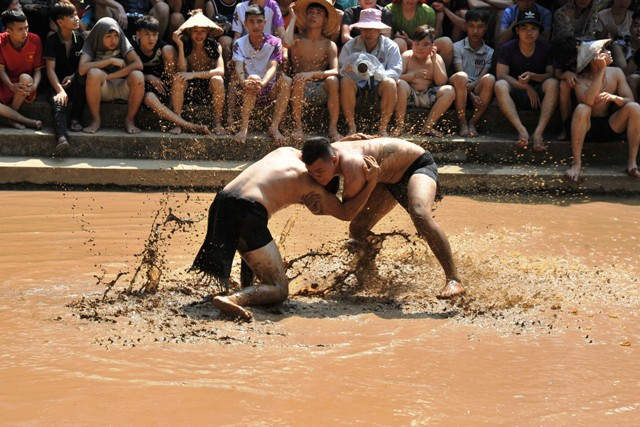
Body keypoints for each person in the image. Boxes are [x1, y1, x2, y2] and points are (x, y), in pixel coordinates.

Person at [192, 144, 381, 321]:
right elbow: (347, 213)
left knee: (252, 245)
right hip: (246, 209)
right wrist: (372, 182)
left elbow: (327, 147)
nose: (317, 176)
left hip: (222, 200)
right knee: (280, 290)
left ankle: (247, 288)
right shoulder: (313, 186)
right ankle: (233, 299)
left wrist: (354, 141)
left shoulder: (287, 151)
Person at [302, 134, 465, 300]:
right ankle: (369, 279)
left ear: (334, 160)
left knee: (420, 213)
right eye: (311, 172)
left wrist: (371, 183)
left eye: (320, 171)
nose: (316, 177)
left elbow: (348, 212)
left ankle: (453, 279)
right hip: (386, 178)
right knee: (358, 229)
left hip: (417, 166)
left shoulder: (353, 165)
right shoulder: (326, 149)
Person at [565, 39, 640, 181]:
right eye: (603, 51)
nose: (608, 52)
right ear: (594, 60)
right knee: (583, 108)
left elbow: (630, 99)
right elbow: (588, 101)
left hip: (608, 125)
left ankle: (632, 163)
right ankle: (576, 163)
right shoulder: (579, 80)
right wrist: (601, 70)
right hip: (585, 127)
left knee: (635, 108)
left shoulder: (617, 72)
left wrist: (614, 98)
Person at [133, 15, 211, 134]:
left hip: (167, 85)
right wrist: (147, 77)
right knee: (149, 98)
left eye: (154, 34)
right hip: (143, 85)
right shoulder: (131, 47)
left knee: (169, 50)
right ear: (138, 34)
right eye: (147, 34)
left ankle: (173, 101)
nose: (151, 39)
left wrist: (179, 45)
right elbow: (126, 72)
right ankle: (190, 126)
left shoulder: (162, 46)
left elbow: (180, 72)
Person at [494, 9, 558, 152]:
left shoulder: (546, 48)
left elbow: (551, 75)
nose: (529, 33)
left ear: (539, 31)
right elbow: (501, 75)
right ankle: (521, 130)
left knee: (553, 83)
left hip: (539, 93)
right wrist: (525, 87)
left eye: (533, 29)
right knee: (500, 85)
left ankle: (538, 133)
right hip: (516, 91)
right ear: (517, 30)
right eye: (524, 29)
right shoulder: (507, 48)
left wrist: (533, 76)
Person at [229, 5, 291, 143]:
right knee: (252, 79)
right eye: (251, 21)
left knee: (286, 81)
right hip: (248, 87)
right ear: (245, 23)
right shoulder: (239, 43)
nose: (255, 25)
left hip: (269, 87)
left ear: (265, 22)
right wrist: (244, 81)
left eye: (259, 21)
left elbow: (273, 67)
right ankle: (243, 128)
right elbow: (238, 67)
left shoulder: (275, 42)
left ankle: (274, 127)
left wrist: (263, 83)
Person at [284, 0, 342, 142]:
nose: (313, 16)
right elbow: (286, 42)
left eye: (318, 13)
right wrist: (293, 18)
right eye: (310, 12)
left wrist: (312, 74)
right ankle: (298, 127)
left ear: (325, 19)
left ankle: (333, 128)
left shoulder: (329, 44)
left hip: (320, 87)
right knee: (299, 79)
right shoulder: (296, 39)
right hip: (299, 87)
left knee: (333, 81)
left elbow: (335, 71)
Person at [339, 8, 401, 136]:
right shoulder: (350, 45)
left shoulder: (390, 46)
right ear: (360, 29)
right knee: (345, 81)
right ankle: (352, 127)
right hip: (356, 84)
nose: (368, 33)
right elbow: (341, 69)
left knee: (390, 82)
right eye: (365, 29)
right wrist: (348, 70)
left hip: (379, 84)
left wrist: (376, 73)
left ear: (378, 30)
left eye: (372, 29)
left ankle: (383, 129)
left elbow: (395, 71)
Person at [78, 17, 145, 134]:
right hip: (103, 88)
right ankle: (96, 120)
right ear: (100, 35)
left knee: (138, 75)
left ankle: (130, 120)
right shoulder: (92, 41)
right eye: (108, 36)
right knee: (93, 73)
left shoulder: (122, 41)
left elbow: (138, 64)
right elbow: (82, 69)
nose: (113, 40)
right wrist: (110, 61)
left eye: (116, 36)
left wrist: (110, 76)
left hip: (123, 86)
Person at [170, 12, 225, 134]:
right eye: (195, 31)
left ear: (208, 32)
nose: (199, 35)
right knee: (178, 79)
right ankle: (178, 122)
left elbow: (220, 71)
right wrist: (180, 46)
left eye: (203, 31)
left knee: (218, 80)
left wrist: (194, 74)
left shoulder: (215, 46)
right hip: (190, 87)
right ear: (189, 32)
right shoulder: (185, 46)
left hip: (208, 86)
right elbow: (182, 72)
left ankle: (217, 123)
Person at [394, 25, 453, 137]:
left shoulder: (437, 58)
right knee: (400, 84)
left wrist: (434, 61)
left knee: (449, 91)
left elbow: (441, 82)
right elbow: (395, 77)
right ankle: (400, 126)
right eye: (417, 44)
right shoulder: (407, 56)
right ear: (412, 44)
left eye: (426, 44)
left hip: (428, 94)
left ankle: (428, 126)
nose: (420, 48)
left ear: (432, 46)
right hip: (410, 94)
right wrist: (413, 76)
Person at [44, 2, 86, 154]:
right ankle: (61, 136)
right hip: (56, 82)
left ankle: (75, 119)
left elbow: (83, 66)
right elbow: (50, 71)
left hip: (75, 81)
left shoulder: (81, 39)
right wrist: (60, 90)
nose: (76, 19)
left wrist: (73, 77)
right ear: (60, 22)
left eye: (76, 15)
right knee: (58, 101)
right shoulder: (52, 41)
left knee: (82, 80)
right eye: (71, 16)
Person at [448, 9, 494, 137]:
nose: (475, 31)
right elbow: (460, 72)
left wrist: (473, 90)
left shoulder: (490, 52)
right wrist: (472, 96)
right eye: (471, 26)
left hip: (475, 87)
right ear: (466, 26)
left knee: (490, 78)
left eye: (479, 27)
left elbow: (483, 75)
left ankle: (473, 122)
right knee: (462, 77)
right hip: (459, 85)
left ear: (486, 28)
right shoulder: (457, 47)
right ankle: (463, 123)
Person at [0, 9, 43, 129]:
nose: (25, 32)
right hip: (6, 83)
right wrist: (10, 86)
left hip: (26, 83)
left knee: (25, 78)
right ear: (8, 31)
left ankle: (9, 118)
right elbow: (1, 70)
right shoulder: (1, 41)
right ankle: (26, 120)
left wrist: (34, 86)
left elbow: (38, 70)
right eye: (20, 29)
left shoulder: (35, 40)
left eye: (26, 27)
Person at [384, 0, 453, 69]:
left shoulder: (428, 12)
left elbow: (431, 40)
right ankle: (397, 73)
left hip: (424, 48)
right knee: (399, 42)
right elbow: (387, 40)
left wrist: (410, 41)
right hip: (402, 50)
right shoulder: (389, 10)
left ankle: (438, 74)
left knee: (446, 42)